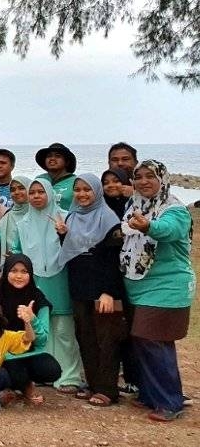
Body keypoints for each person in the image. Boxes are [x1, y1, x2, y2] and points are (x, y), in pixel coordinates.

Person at [0, 178, 83, 393]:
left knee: (63, 328)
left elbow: (78, 249)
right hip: (31, 279)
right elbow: (16, 249)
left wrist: (65, 233)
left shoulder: (65, 217)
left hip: (60, 277)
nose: (36, 196)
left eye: (40, 192)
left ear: (49, 194)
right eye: (33, 192)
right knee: (39, 325)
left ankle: (69, 375)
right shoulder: (22, 222)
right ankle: (43, 372)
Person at [119, 160, 194, 421]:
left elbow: (170, 231)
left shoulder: (174, 209)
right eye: (138, 177)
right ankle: (152, 395)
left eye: (150, 176)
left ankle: (170, 402)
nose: (143, 181)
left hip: (167, 285)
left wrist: (149, 226)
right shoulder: (135, 206)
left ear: (162, 178)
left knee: (152, 341)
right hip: (139, 285)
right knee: (148, 342)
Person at [58, 174, 124, 406]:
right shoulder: (73, 216)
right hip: (79, 284)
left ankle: (108, 389)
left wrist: (109, 291)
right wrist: (62, 234)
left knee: (106, 337)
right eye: (78, 190)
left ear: (97, 192)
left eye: (88, 189)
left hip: (102, 287)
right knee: (85, 336)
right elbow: (72, 251)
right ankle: (93, 383)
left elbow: (114, 258)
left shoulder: (108, 218)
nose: (82, 194)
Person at [0, 255, 60, 404]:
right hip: (3, 354)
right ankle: (20, 387)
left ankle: (21, 385)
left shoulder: (38, 299)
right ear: (6, 271)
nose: (19, 276)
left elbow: (42, 339)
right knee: (13, 372)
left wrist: (32, 319)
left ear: (30, 274)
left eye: (24, 271)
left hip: (29, 352)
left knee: (52, 369)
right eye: (14, 271)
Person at [35, 142, 77, 210]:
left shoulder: (75, 182)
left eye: (58, 156)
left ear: (67, 162)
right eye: (49, 156)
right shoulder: (40, 179)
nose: (52, 158)